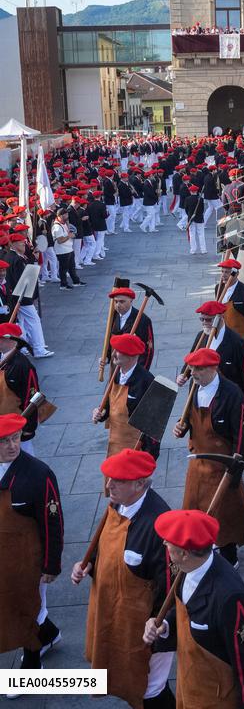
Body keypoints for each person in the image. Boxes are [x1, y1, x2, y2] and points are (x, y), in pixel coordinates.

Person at [71, 449, 174, 709]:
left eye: (118, 480)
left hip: (143, 627)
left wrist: (159, 627)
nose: (109, 485)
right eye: (109, 478)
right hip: (114, 613)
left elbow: (169, 585)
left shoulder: (159, 525)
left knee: (151, 689)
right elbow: (105, 544)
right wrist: (88, 564)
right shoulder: (118, 503)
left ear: (140, 484)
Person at [143, 509, 244, 709]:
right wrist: (164, 624)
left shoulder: (229, 597)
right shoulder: (185, 568)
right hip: (191, 686)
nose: (164, 543)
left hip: (215, 700)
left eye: (169, 541)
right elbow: (184, 610)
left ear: (184, 553)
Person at [173, 347, 244, 568]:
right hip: (198, 461)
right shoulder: (194, 386)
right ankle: (203, 548)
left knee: (225, 512)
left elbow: (242, 435)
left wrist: (235, 471)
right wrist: (183, 427)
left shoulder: (231, 394)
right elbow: (190, 416)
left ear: (214, 368)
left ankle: (229, 554)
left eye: (199, 369)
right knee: (195, 507)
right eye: (192, 368)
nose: (194, 373)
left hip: (222, 466)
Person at [0, 414, 63, 674]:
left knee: (30, 605)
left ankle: (31, 663)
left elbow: (53, 523)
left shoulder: (39, 474)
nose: (12, 445)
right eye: (4, 441)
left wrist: (51, 565)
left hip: (29, 559)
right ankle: (49, 634)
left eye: (15, 439)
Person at [179, 300, 244, 410]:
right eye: (202, 319)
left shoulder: (237, 342)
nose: (204, 323)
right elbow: (192, 357)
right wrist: (184, 374)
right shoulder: (201, 336)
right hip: (203, 391)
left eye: (208, 320)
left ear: (220, 317)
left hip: (226, 398)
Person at [94, 333, 159, 458]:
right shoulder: (116, 375)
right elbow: (108, 405)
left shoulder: (147, 381)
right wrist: (100, 413)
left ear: (131, 356)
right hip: (115, 445)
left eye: (119, 351)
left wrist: (149, 458)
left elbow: (154, 427)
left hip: (135, 449)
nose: (113, 354)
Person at [0, 322, 50, 452]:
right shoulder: (4, 358)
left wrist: (28, 428)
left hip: (16, 426)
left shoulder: (22, 366)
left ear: (10, 340)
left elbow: (31, 397)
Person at [5, 231, 53, 358]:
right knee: (33, 321)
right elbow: (22, 279)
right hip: (22, 296)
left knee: (23, 323)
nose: (24, 246)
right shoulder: (16, 259)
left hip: (17, 296)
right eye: (21, 244)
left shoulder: (13, 257)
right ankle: (38, 348)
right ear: (14, 245)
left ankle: (24, 346)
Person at [215, 259, 244, 369]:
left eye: (227, 272)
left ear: (236, 274)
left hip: (242, 340)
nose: (223, 275)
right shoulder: (218, 288)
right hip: (224, 338)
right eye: (222, 272)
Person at [107, 287, 155, 369]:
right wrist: (107, 357)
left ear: (131, 301)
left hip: (132, 367)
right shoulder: (114, 316)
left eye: (122, 301)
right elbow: (109, 338)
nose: (118, 305)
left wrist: (141, 371)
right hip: (115, 366)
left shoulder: (142, 320)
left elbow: (148, 350)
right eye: (116, 301)